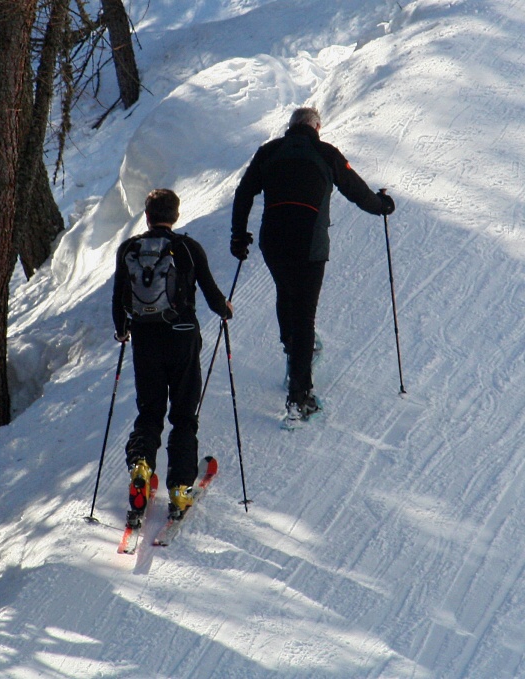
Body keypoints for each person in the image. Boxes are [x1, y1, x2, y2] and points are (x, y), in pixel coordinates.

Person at [230, 107, 395, 422]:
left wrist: (238, 237)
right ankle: (299, 396)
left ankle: (293, 353)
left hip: (273, 241)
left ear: (290, 127)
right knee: (304, 315)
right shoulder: (326, 152)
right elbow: (357, 192)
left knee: (285, 292)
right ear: (316, 127)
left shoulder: (269, 151)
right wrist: (383, 206)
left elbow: (244, 193)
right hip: (310, 244)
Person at [112, 188, 233, 525]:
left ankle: (141, 466)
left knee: (150, 413)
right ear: (175, 215)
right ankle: (180, 490)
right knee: (183, 415)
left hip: (146, 342)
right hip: (182, 339)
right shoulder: (187, 248)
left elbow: (119, 298)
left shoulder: (130, 249)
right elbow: (211, 294)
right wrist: (225, 310)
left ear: (147, 216)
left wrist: (123, 331)